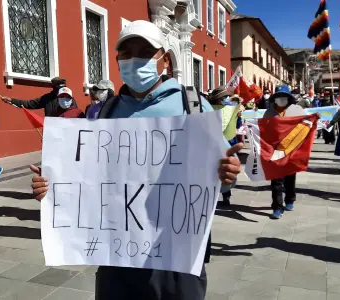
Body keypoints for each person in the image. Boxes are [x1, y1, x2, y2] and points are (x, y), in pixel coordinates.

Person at [29, 20, 243, 300]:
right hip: (118, 255)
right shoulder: (105, 111)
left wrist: (228, 175)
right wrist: (52, 186)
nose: (134, 59)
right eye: (126, 53)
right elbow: (88, 176)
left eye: (145, 51)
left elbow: (221, 181)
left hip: (178, 255)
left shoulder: (192, 106)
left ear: (164, 59)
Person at [263, 85, 306, 219]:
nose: (281, 99)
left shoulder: (297, 110)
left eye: (284, 97)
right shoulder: (269, 113)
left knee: (290, 177)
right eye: (278, 97)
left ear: (288, 98)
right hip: (275, 151)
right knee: (276, 180)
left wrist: (315, 118)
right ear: (274, 98)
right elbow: (264, 129)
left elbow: (305, 126)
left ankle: (290, 199)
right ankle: (277, 207)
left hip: (291, 150)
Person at [1, 77, 71, 116]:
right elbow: (30, 104)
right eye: (58, 87)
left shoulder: (69, 98)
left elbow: (76, 116)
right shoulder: (47, 98)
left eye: (63, 87)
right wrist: (12, 100)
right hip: (51, 133)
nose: (61, 90)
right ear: (54, 87)